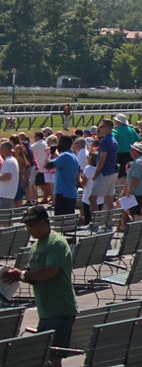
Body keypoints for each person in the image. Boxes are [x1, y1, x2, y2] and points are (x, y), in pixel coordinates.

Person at [2, 206, 77, 367]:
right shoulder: (37, 245)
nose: (28, 229)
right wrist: (19, 273)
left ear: (43, 223)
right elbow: (34, 274)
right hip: (46, 310)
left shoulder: (56, 243)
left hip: (60, 309)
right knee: (44, 356)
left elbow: (50, 272)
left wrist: (21, 275)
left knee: (53, 357)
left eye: (31, 225)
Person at [0, 141, 20, 208]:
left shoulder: (9, 161)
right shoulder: (11, 160)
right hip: (7, 194)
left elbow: (7, 177)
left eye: (1, 148)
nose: (0, 149)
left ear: (7, 149)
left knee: (4, 216)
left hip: (5, 195)